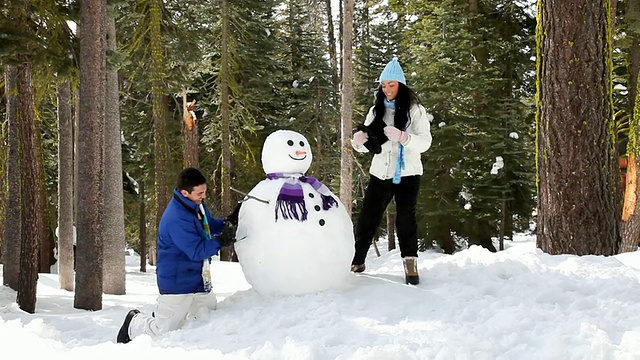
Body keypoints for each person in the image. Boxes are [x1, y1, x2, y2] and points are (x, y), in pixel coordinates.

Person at [117, 167, 237, 343]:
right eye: (200, 193)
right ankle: (134, 322)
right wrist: (220, 241)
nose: (203, 196)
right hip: (177, 281)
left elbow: (208, 225)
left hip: (198, 279)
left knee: (209, 317)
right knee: (162, 332)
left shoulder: (196, 205)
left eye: (204, 191)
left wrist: (229, 221)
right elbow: (196, 251)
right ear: (185, 192)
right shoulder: (176, 218)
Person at [350, 57, 433, 285]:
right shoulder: (376, 110)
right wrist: (358, 141)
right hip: (380, 173)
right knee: (368, 217)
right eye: (384, 85)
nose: (387, 90)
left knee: (406, 220)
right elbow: (365, 141)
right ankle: (357, 260)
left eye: (391, 85)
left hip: (409, 174)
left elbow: (425, 142)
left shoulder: (415, 111)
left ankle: (410, 263)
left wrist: (404, 138)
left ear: (401, 85)